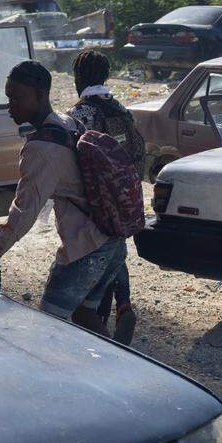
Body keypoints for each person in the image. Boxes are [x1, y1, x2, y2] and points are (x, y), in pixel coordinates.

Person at [0, 60, 125, 334]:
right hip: (112, 242)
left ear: (40, 95)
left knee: (47, 327)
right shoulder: (68, 123)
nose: (11, 106)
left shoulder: (41, 148)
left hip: (86, 248)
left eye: (17, 98)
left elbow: (22, 216)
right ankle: (117, 360)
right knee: (84, 314)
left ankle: (113, 360)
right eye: (8, 97)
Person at [67, 50, 145, 344]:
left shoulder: (80, 114)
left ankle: (98, 319)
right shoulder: (121, 110)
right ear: (106, 76)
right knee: (117, 250)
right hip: (125, 195)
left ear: (78, 78)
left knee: (100, 255)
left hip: (95, 200)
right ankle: (123, 304)